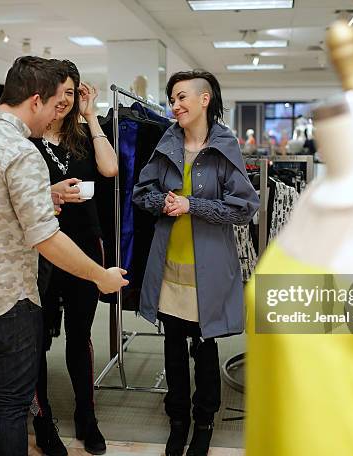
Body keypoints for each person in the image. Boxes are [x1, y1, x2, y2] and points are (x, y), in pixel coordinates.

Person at [0, 56, 128, 456]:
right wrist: (100, 275)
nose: (52, 118)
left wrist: (46, 194)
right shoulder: (20, 150)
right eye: (52, 106)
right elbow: (46, 237)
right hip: (10, 300)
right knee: (10, 406)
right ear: (36, 100)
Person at [133, 70, 259, 456]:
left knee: (205, 349)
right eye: (172, 98)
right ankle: (178, 420)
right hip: (169, 265)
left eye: (182, 97)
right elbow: (141, 193)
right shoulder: (166, 141)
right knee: (172, 347)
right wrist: (165, 202)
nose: (175, 105)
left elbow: (244, 208)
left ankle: (204, 422)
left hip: (209, 268)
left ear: (205, 100)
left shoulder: (224, 146)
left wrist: (193, 205)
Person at [29, 60, 117, 456]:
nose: (64, 100)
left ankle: (87, 416)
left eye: (71, 92)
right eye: (59, 92)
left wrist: (92, 116)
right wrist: (50, 193)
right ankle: (42, 420)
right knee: (37, 340)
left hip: (84, 244)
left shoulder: (83, 135)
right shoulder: (27, 140)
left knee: (80, 337)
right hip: (40, 249)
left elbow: (110, 168)